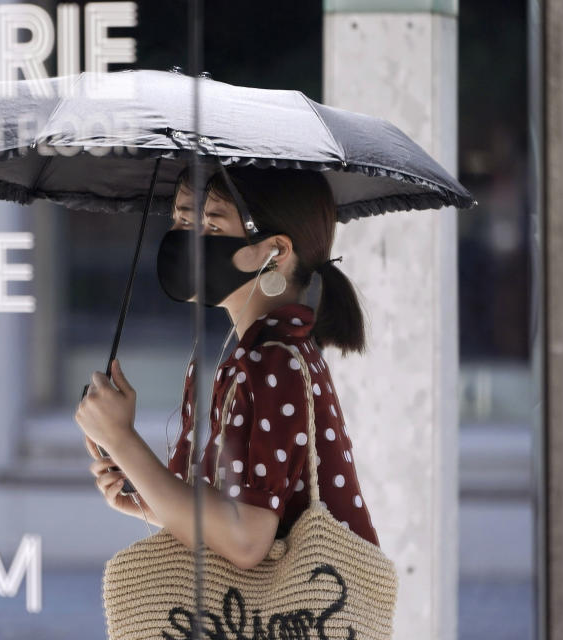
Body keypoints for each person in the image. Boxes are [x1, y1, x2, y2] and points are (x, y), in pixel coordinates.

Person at [73, 166, 380, 571]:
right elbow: (231, 514)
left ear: (276, 252)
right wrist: (144, 494)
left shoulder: (274, 360)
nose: (189, 238)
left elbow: (245, 541)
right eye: (182, 220)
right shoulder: (265, 352)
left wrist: (121, 437)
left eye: (211, 227)